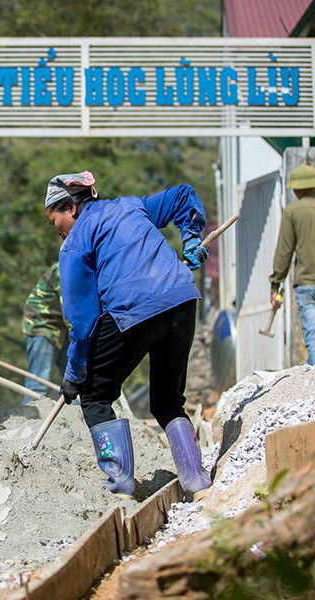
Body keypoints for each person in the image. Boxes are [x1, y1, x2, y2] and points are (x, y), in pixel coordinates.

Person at [43, 170, 211, 502]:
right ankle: (196, 480)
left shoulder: (75, 244)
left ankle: (121, 487)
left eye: (54, 222)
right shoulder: (131, 206)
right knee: (167, 401)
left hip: (133, 311)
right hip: (181, 301)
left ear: (70, 209)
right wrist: (190, 237)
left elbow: (82, 322)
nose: (57, 231)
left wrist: (75, 374)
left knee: (95, 398)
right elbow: (182, 195)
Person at [269, 163, 315, 365]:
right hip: (305, 285)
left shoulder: (292, 212)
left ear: (296, 190)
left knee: (313, 340)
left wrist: (275, 285)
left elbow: (284, 253)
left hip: (306, 285)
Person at [22, 262, 70, 404]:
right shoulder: (67, 267)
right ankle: (29, 422)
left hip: (62, 330)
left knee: (76, 381)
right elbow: (70, 310)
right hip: (42, 325)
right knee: (39, 382)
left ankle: (77, 419)